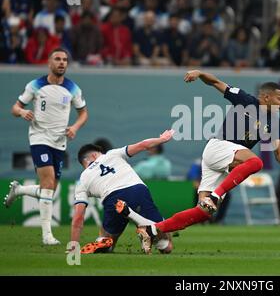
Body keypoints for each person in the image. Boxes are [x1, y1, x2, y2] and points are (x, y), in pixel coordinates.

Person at [115, 70, 280, 244]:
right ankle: (214, 197)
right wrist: (199, 73)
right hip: (219, 147)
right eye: (279, 98)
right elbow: (216, 82)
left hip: (226, 161)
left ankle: (151, 229)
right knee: (255, 162)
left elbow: (279, 153)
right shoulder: (246, 100)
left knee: (202, 213)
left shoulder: (274, 122)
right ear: (266, 97)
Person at [4, 47, 88, 245]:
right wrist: (22, 112)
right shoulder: (35, 85)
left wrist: (75, 127)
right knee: (48, 184)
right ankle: (46, 235)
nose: (61, 63)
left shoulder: (72, 88)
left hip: (59, 142)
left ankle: (19, 191)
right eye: (57, 59)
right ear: (49, 63)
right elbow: (15, 107)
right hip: (39, 137)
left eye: (65, 60)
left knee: (49, 188)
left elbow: (84, 113)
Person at [70, 130, 175, 255]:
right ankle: (144, 227)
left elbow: (78, 217)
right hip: (137, 190)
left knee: (107, 240)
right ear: (94, 155)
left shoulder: (83, 179)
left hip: (113, 199)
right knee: (166, 245)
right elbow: (143, 145)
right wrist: (162, 139)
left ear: (84, 162)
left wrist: (73, 246)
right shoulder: (112, 154)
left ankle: (103, 240)